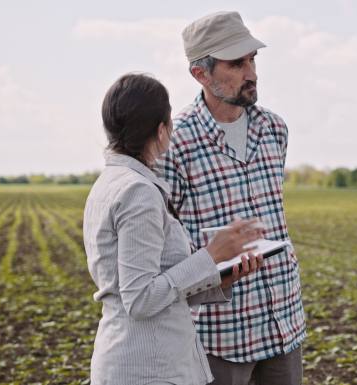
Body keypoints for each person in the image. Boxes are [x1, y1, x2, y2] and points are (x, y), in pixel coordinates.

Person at [83, 73, 264, 385]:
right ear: (161, 129)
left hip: (137, 362)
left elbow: (155, 285)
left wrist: (218, 276)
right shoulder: (136, 192)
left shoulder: (111, 182)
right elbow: (140, 299)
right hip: (148, 368)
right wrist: (211, 255)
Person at [158, 11, 306, 385]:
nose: (251, 72)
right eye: (236, 63)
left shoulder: (275, 129)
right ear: (201, 74)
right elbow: (165, 240)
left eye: (252, 59)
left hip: (283, 320)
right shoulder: (177, 143)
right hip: (220, 333)